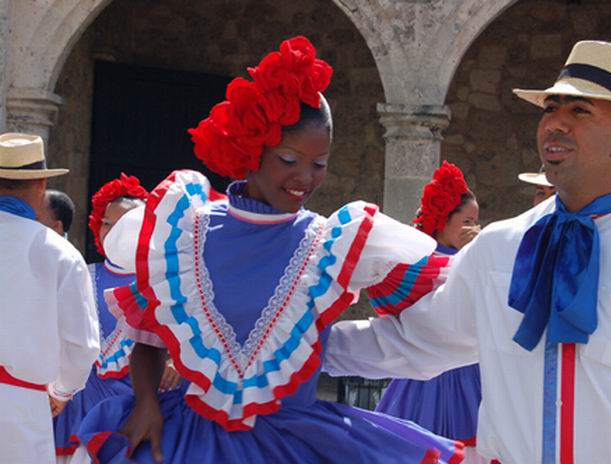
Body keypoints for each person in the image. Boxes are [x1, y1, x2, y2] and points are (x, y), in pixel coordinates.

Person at [74, 36, 463, 464]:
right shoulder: (186, 231)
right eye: (289, 158)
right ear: (253, 148)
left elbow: (430, 310)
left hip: (293, 441)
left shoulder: (334, 243)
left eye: (319, 163)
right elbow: (149, 335)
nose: (305, 177)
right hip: (189, 438)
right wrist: (146, 400)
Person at [324, 40, 611, 463]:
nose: (556, 124)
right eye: (550, 109)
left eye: (580, 111)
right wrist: (301, 348)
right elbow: (417, 341)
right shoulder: (499, 248)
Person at [0, 133, 100, 464]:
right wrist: (61, 391)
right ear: (41, 184)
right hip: (19, 407)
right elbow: (80, 344)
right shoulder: (60, 254)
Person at [375, 161, 484, 456]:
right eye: (467, 221)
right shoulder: (422, 262)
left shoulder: (475, 257)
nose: (474, 229)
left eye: (477, 222)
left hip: (467, 371)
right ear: (444, 220)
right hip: (427, 373)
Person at [52, 173, 153, 461]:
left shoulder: (163, 282)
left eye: (125, 225)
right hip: (73, 404)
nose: (112, 231)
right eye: (107, 223)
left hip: (129, 407)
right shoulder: (79, 271)